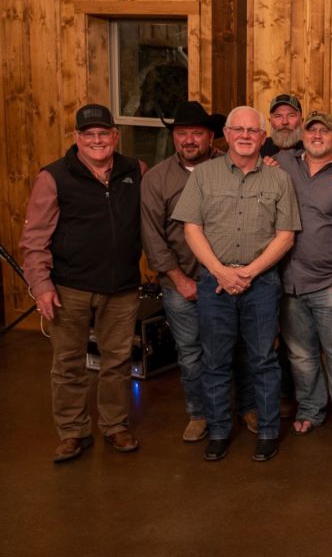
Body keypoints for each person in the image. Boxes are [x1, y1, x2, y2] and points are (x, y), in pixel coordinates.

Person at [172, 105, 301, 463]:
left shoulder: (278, 180)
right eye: (238, 129)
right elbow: (191, 228)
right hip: (215, 282)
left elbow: (286, 235)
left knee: (263, 360)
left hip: (261, 283)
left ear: (263, 138)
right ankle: (217, 432)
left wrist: (249, 272)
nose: (245, 136)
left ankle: (269, 432)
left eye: (253, 131)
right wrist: (221, 271)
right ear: (226, 135)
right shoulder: (203, 176)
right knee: (215, 361)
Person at [21, 103, 146, 462]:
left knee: (118, 362)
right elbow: (34, 240)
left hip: (121, 287)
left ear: (115, 136)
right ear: (77, 138)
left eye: (103, 133)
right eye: (88, 134)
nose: (96, 140)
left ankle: (115, 425)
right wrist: (41, 286)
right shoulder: (54, 177)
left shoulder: (135, 171)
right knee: (68, 363)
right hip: (69, 288)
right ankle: (73, 431)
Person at [141, 100, 231, 442]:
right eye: (182, 134)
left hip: (225, 280)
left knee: (229, 349)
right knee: (191, 353)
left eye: (196, 133)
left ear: (211, 137)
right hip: (182, 283)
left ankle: (236, 409)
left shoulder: (229, 167)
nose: (189, 140)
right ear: (174, 137)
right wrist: (179, 280)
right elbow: (152, 235)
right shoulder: (157, 179)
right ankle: (199, 413)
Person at [276, 111, 332, 444]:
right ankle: (311, 409)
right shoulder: (284, 165)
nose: (317, 135)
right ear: (303, 134)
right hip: (290, 281)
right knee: (300, 355)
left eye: (323, 131)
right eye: (311, 130)